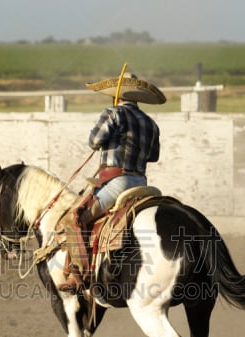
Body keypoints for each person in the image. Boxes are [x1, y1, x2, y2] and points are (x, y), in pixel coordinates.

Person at [58, 70, 166, 293]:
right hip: (142, 183)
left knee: (73, 218)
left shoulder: (113, 113)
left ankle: (78, 273)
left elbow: (94, 141)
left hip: (118, 182)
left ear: (116, 96)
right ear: (135, 98)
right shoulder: (150, 123)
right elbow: (153, 156)